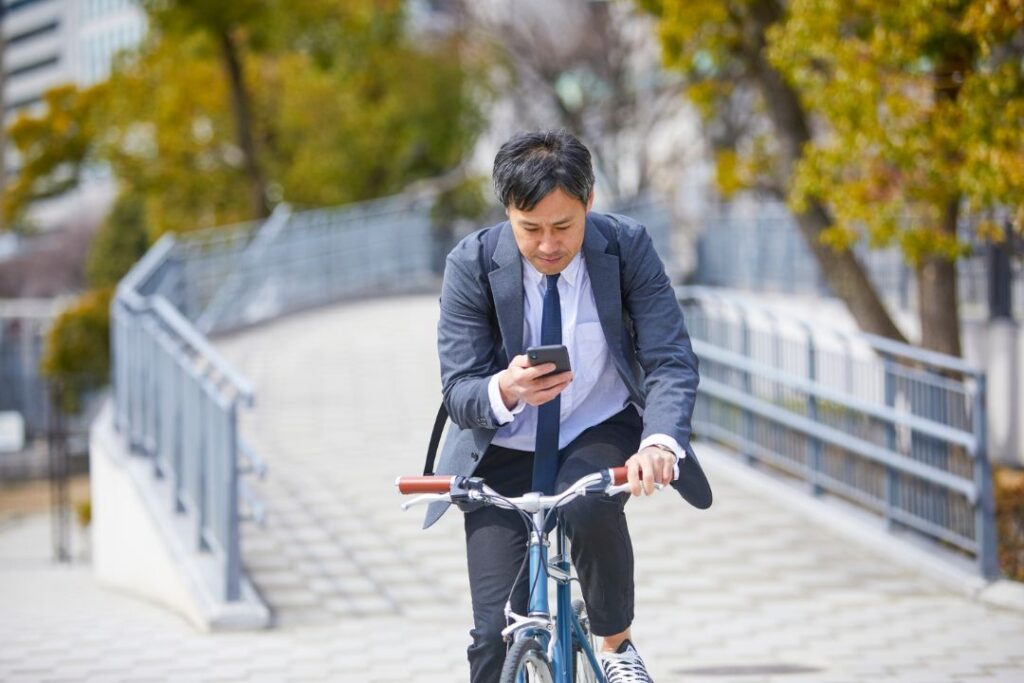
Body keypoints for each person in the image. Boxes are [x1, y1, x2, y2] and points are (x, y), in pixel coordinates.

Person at [427, 129, 712, 683]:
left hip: (595, 425)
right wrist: (505, 389)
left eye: (564, 226)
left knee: (588, 505)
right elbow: (458, 388)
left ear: (590, 201)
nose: (548, 245)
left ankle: (616, 643)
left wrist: (658, 442)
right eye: (529, 228)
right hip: (500, 445)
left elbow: (670, 358)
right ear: (507, 210)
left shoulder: (626, 248)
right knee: (492, 636)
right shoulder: (471, 264)